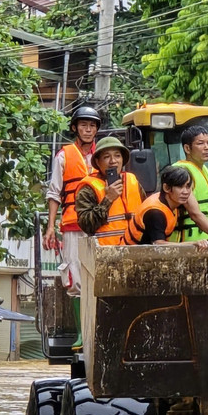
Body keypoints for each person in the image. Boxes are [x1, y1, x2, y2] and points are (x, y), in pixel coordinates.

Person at [43, 104, 101, 347]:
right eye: (84, 125)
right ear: (75, 128)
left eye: (92, 125)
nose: (88, 129)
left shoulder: (106, 154)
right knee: (74, 278)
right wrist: (50, 226)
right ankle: (82, 334)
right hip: (72, 225)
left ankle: (98, 330)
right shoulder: (63, 155)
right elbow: (55, 193)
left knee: (101, 277)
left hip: (101, 225)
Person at [75, 136, 143, 246]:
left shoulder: (132, 181)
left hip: (135, 251)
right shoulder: (88, 188)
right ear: (97, 161)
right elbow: (86, 225)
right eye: (107, 157)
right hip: (105, 254)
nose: (113, 161)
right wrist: (108, 199)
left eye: (117, 156)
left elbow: (146, 213)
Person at [127, 165, 208, 248]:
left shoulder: (171, 200)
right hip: (130, 257)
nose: (186, 192)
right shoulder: (155, 213)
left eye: (188, 186)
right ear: (166, 188)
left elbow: (196, 214)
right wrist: (193, 243)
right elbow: (158, 244)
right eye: (180, 186)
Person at [172, 125, 208, 246]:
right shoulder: (181, 171)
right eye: (200, 143)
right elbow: (194, 213)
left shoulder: (204, 169)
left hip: (205, 239)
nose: (207, 148)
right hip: (187, 242)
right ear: (187, 148)